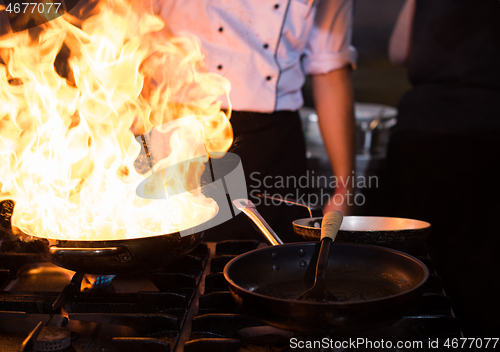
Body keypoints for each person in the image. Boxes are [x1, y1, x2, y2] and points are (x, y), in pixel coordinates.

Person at [150, 0, 357, 241]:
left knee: (276, 265)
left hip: (272, 150)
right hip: (177, 138)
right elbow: (131, 30)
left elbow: (329, 67)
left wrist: (344, 188)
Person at [386, 0, 500, 336]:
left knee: (411, 269)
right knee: (485, 278)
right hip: (487, 130)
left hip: (423, 132)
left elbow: (398, 52)